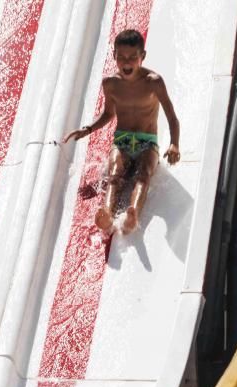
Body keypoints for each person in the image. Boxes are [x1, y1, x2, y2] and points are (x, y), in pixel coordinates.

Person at [63, 28, 181, 236]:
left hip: (147, 141)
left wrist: (174, 144)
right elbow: (108, 114)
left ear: (142, 56)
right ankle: (107, 212)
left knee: (143, 174)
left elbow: (172, 117)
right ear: (114, 56)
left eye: (133, 57)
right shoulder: (110, 84)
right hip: (123, 140)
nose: (127, 63)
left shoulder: (154, 82)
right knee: (115, 174)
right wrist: (88, 129)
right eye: (122, 57)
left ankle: (132, 213)